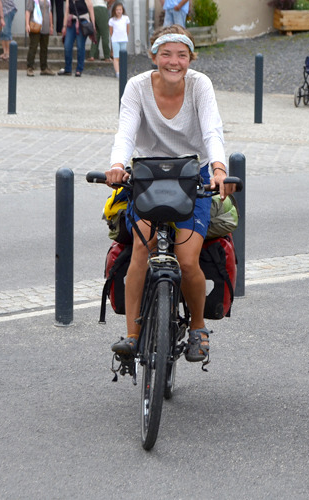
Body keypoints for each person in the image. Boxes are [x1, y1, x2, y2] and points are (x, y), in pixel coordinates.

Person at [106, 25, 235, 363]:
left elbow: (212, 129)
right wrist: (117, 165)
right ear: (154, 57)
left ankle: (197, 327)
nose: (173, 62)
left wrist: (219, 168)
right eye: (166, 54)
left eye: (181, 55)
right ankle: (133, 337)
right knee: (140, 249)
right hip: (148, 174)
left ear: (190, 58)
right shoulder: (136, 87)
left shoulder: (200, 85)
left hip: (194, 175)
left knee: (188, 258)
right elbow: (125, 131)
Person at [58, 0, 95, 76]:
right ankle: (68, 68)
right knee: (67, 45)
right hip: (71, 22)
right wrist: (64, 26)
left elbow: (91, 10)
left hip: (83, 22)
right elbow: (66, 12)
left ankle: (79, 69)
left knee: (80, 46)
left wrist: (93, 25)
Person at [25, 0, 56, 76]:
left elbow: (50, 12)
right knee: (33, 46)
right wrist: (27, 24)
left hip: (45, 26)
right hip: (35, 24)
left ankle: (44, 67)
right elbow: (28, 11)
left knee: (44, 47)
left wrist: (51, 25)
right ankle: (30, 67)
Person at [107, 1, 130, 77]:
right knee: (116, 57)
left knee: (123, 57)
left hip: (123, 39)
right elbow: (111, 31)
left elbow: (127, 29)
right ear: (114, 11)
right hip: (115, 40)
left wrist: (125, 36)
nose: (119, 11)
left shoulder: (126, 18)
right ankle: (117, 72)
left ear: (122, 10)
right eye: (117, 10)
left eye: (120, 9)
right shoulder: (112, 20)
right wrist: (114, 37)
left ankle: (123, 71)